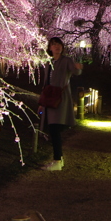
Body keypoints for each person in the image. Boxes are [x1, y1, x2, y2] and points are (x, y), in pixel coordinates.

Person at [39, 37, 82, 171]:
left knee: (55, 128)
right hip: (50, 98)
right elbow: (46, 83)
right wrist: (42, 102)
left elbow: (75, 71)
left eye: (59, 44)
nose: (57, 47)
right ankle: (58, 159)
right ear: (50, 48)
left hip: (60, 99)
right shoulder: (49, 62)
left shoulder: (66, 61)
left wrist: (78, 67)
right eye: (54, 45)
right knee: (53, 129)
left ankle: (57, 160)